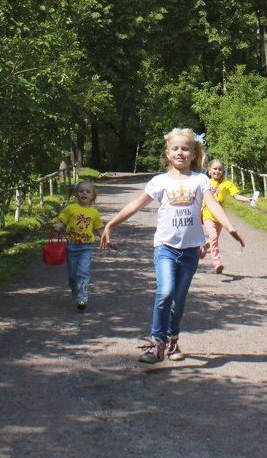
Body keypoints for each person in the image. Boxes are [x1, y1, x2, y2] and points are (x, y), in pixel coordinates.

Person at [100, 128, 245, 363]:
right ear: (168, 154)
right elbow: (136, 205)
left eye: (185, 149)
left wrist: (230, 227)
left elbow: (214, 206)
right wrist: (111, 224)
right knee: (165, 292)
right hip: (165, 247)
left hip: (190, 251)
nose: (180, 152)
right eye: (175, 149)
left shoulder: (201, 180)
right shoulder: (160, 182)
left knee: (179, 299)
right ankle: (157, 344)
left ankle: (173, 340)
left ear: (194, 153)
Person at [51, 180, 104, 311]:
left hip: (86, 248)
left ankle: (82, 298)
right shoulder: (70, 209)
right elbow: (62, 222)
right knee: (72, 276)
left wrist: (107, 239)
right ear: (76, 193)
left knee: (83, 272)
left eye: (88, 192)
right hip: (71, 247)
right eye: (81, 191)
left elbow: (99, 229)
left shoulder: (94, 212)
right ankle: (76, 290)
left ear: (92, 195)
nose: (84, 194)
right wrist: (59, 226)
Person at [202, 159, 251, 274]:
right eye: (215, 169)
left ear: (223, 171)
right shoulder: (205, 183)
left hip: (220, 218)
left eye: (220, 169)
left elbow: (236, 196)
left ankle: (203, 247)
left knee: (213, 239)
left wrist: (248, 199)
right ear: (209, 171)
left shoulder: (226, 184)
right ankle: (217, 262)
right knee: (213, 236)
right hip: (208, 215)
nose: (217, 171)